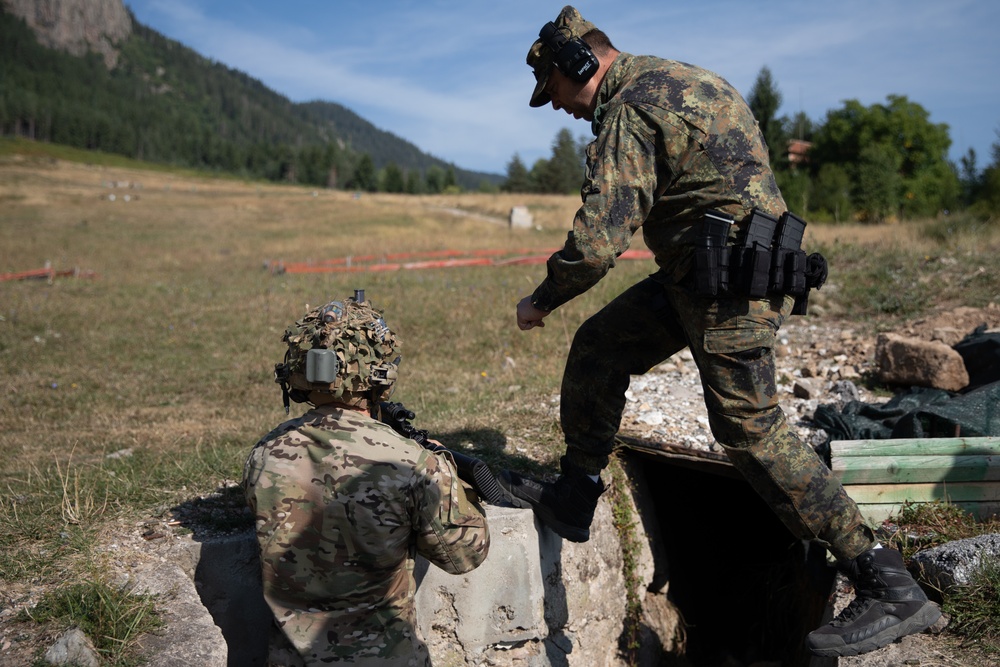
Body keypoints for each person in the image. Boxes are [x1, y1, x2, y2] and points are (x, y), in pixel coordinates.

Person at [496, 5, 940, 658]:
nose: (555, 106)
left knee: (748, 428)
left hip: (726, 280)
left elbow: (598, 241)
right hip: (703, 272)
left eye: (553, 91)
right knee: (601, 345)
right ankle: (577, 492)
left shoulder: (632, 106)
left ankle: (882, 575)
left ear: (578, 65)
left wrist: (541, 297)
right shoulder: (675, 79)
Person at [243, 290, 490, 666]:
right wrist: (449, 475)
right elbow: (465, 555)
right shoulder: (411, 462)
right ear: (381, 377)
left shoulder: (264, 454)